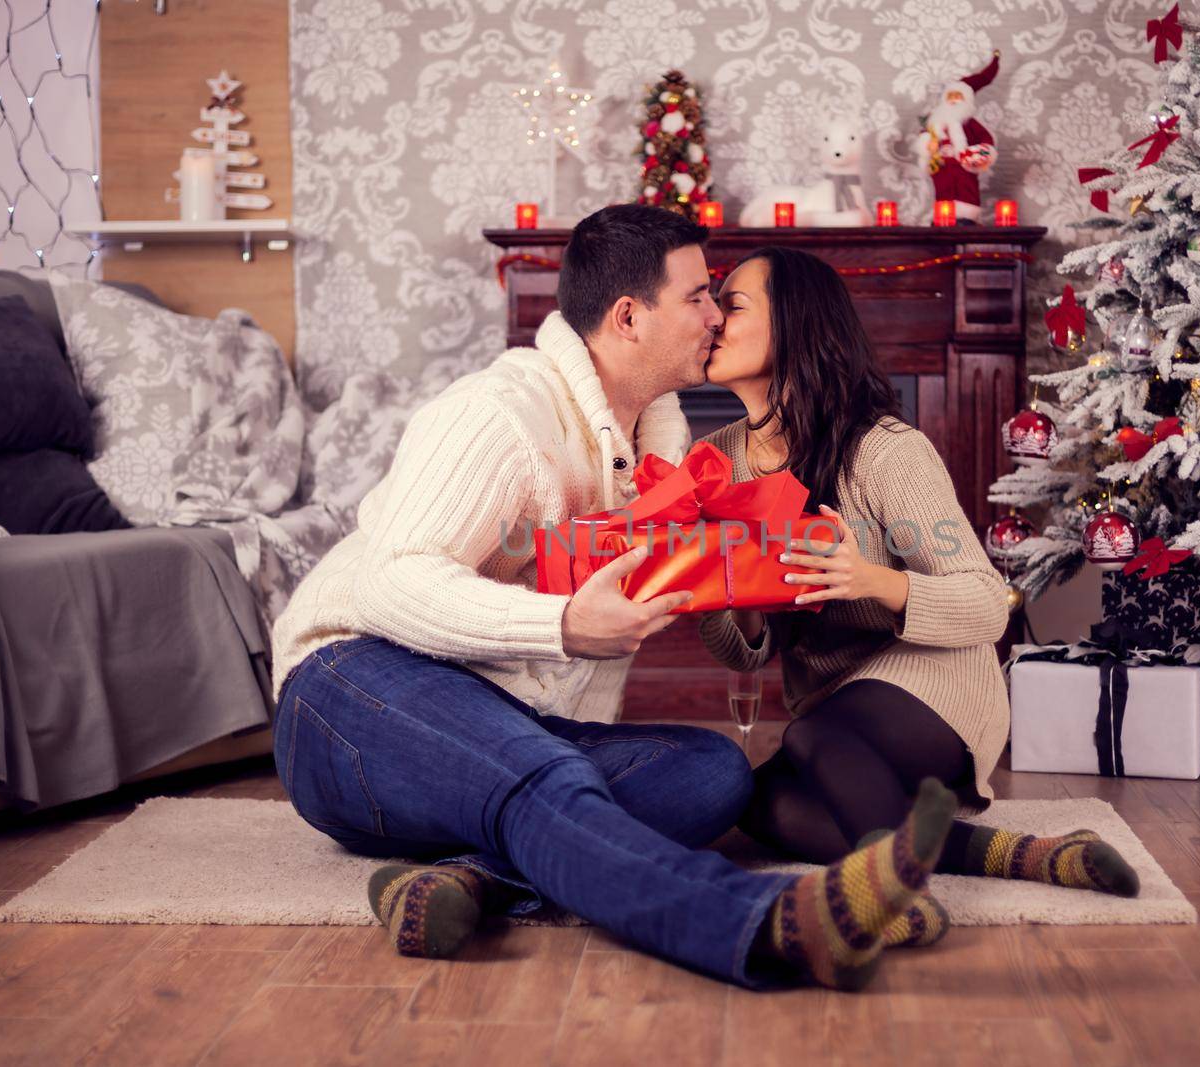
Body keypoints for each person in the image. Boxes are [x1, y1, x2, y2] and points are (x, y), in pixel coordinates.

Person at [268, 204, 955, 992]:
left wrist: (792, 571)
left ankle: (474, 875)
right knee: (542, 775)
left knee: (712, 773)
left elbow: (724, 611)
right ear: (629, 316)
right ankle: (768, 923)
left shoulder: (658, 456)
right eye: (699, 296)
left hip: (495, 730)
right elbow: (391, 580)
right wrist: (559, 623)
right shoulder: (498, 415)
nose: (715, 313)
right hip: (347, 693)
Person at [698, 246, 1140, 946]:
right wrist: (716, 579)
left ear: (794, 322)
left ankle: (895, 898)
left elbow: (986, 600)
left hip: (937, 675)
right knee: (762, 803)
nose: (712, 318)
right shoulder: (717, 459)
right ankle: (1010, 851)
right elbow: (744, 653)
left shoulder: (882, 450)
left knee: (812, 737)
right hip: (837, 701)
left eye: (734, 302)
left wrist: (869, 579)